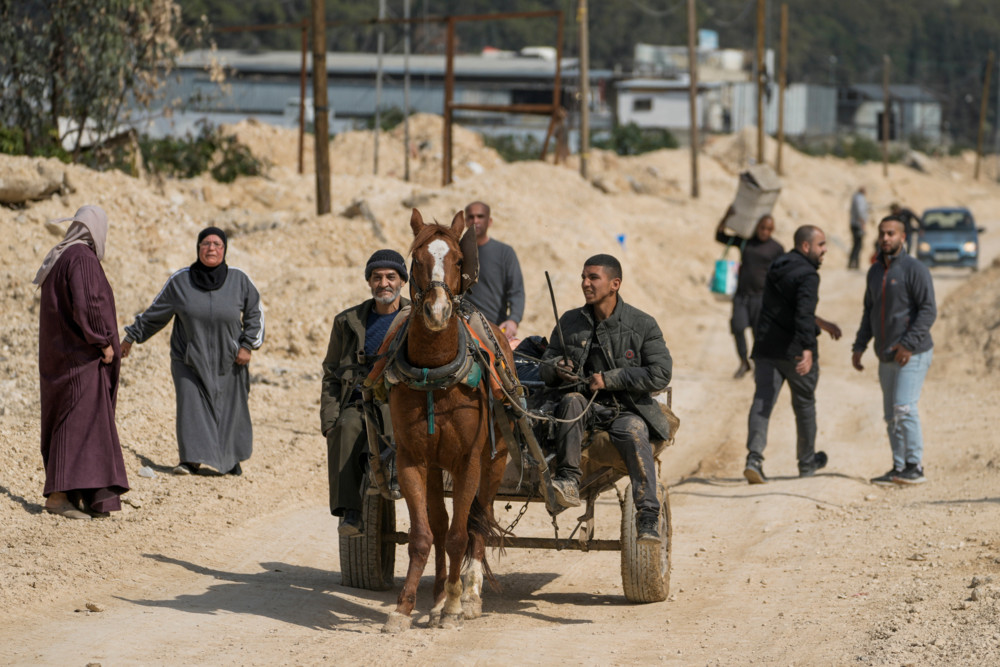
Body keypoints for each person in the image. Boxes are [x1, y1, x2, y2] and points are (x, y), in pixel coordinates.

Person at [540, 254, 673, 543]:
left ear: (615, 284)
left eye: (593, 278)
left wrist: (611, 379)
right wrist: (557, 368)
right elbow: (546, 364)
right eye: (583, 277)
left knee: (635, 432)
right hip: (580, 406)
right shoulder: (569, 321)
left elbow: (661, 373)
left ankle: (648, 516)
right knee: (571, 402)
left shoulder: (643, 324)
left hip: (626, 409)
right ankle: (569, 482)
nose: (585, 283)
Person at [122, 227, 264, 476]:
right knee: (192, 406)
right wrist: (131, 337)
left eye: (217, 244)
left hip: (230, 359)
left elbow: (255, 312)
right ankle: (191, 460)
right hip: (189, 358)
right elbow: (156, 313)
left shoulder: (239, 280)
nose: (211, 248)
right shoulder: (181, 281)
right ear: (198, 248)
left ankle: (230, 459)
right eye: (206, 243)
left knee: (231, 407)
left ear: (225, 249)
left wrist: (247, 345)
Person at [34, 205, 129, 519]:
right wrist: (102, 341)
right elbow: (88, 304)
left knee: (86, 424)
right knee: (74, 422)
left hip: (62, 357)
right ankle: (58, 497)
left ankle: (85, 495)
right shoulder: (82, 258)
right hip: (80, 360)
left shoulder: (60, 256)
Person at [743, 225, 842, 484]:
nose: (825, 250)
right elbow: (802, 314)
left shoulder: (777, 266)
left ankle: (754, 459)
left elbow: (787, 308)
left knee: (762, 402)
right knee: (805, 405)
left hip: (766, 347)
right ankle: (807, 463)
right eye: (821, 245)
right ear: (806, 246)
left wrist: (822, 323)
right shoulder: (809, 275)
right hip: (796, 353)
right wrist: (807, 348)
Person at [321, 250, 409, 536]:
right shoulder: (347, 322)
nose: (384, 283)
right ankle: (351, 513)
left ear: (402, 282)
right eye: (377, 277)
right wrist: (330, 420)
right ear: (369, 282)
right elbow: (332, 374)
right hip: (359, 402)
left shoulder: (416, 319)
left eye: (390, 277)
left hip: (402, 403)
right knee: (344, 428)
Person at [852, 215, 936, 485]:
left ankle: (915, 466)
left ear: (902, 237)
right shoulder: (875, 271)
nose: (885, 238)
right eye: (882, 233)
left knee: (904, 407)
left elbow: (928, 310)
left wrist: (908, 344)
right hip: (885, 354)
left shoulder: (915, 269)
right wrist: (859, 345)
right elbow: (869, 311)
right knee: (890, 415)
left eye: (891, 233)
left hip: (913, 352)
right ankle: (899, 467)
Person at [715, 208, 784, 379]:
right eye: (762, 228)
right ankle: (744, 362)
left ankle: (760, 364)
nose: (765, 232)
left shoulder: (777, 248)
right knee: (737, 328)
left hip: (761, 298)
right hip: (741, 296)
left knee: (758, 333)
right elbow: (720, 236)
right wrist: (727, 216)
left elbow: (782, 273)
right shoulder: (746, 242)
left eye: (769, 229)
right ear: (757, 227)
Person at [463, 201, 525, 341]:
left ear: (490, 221)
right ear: (466, 221)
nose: (475, 221)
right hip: (462, 329)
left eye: (480, 216)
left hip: (495, 331)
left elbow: (516, 292)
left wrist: (513, 320)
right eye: (471, 217)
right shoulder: (457, 253)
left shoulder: (505, 253)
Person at [848, 186, 868, 269]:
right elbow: (860, 211)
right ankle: (854, 263)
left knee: (857, 244)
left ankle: (853, 263)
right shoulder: (860, 198)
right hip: (858, 224)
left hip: (855, 223)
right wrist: (862, 223)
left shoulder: (855, 198)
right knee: (858, 245)